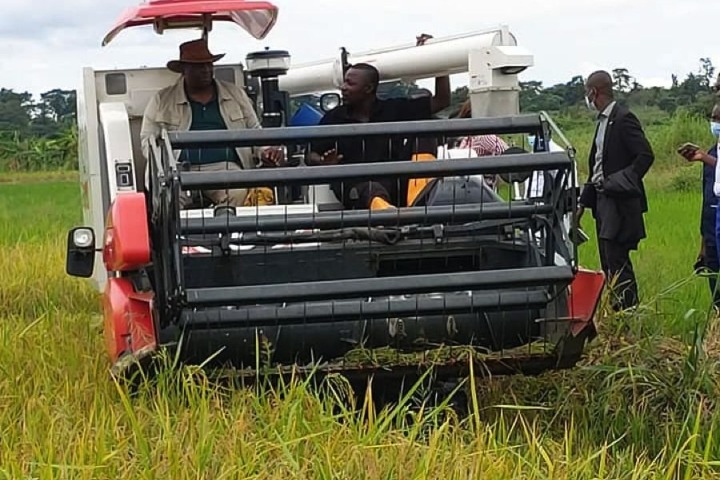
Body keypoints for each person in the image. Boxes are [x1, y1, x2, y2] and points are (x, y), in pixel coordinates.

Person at [307, 34, 451, 210]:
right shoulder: (333, 118)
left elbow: (442, 101)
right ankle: (394, 215)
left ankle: (418, 200)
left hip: (396, 184)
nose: (343, 87)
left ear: (368, 88)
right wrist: (322, 163)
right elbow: (310, 154)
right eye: (344, 82)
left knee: (424, 130)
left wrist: (438, 57)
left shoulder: (394, 109)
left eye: (350, 84)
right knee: (370, 189)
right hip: (355, 187)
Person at [140, 38, 284, 209]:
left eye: (209, 64)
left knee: (238, 194)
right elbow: (146, 143)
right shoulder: (161, 100)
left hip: (226, 168)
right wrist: (166, 167)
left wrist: (266, 151)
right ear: (184, 70)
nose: (206, 70)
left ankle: (231, 235)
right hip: (178, 171)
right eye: (199, 66)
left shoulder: (236, 94)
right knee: (169, 202)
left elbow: (255, 132)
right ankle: (178, 236)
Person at [576, 70, 654, 311]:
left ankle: (628, 316)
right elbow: (597, 167)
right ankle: (617, 315)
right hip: (601, 202)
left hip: (618, 204)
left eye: (587, 92)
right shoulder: (601, 123)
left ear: (594, 92)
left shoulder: (623, 118)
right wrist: (581, 205)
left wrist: (621, 181)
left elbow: (645, 155)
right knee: (608, 261)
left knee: (618, 261)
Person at [679, 103, 720, 308]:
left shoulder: (709, 156)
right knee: (714, 279)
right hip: (712, 227)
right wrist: (703, 245)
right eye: (713, 118)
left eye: (718, 119)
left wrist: (706, 158)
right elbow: (707, 200)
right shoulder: (713, 151)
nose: (715, 123)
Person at [453, 99, 509, 191]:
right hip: (468, 186)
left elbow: (508, 153)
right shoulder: (466, 139)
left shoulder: (485, 137)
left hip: (482, 188)